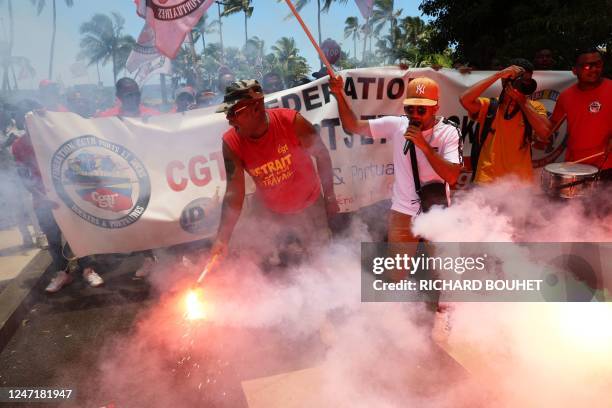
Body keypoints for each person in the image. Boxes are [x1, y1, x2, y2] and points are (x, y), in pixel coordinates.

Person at [209, 79, 339, 264]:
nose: (229, 119)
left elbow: (322, 155)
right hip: (269, 212)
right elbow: (234, 192)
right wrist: (222, 238)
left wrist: (330, 197)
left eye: (233, 112)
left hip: (310, 205)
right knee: (269, 264)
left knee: (322, 257)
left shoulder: (292, 122)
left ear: (256, 107)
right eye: (227, 113)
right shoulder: (231, 143)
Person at [329, 75, 462, 243]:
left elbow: (451, 176)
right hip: (402, 213)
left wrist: (424, 146)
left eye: (421, 110)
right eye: (410, 109)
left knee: (439, 267)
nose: (415, 115)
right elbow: (353, 126)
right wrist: (339, 94)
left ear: (436, 108)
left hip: (436, 212)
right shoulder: (397, 125)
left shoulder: (449, 132)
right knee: (397, 268)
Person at [11, 100, 103, 292]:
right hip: (42, 200)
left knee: (77, 234)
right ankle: (62, 273)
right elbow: (23, 176)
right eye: (27, 120)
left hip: (67, 197)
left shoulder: (53, 138)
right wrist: (40, 195)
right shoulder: (19, 145)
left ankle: (88, 269)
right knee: (53, 240)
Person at [96, 78, 160, 277]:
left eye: (136, 94)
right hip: (128, 179)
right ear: (119, 97)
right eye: (128, 95)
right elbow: (79, 128)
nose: (133, 98)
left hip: (156, 174)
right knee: (138, 220)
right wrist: (44, 119)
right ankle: (148, 258)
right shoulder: (106, 118)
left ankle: (175, 258)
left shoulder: (153, 115)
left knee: (164, 216)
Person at [460, 58, 550, 183]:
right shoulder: (490, 106)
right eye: (521, 81)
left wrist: (522, 102)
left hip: (520, 184)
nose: (524, 85)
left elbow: (545, 132)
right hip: (487, 181)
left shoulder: (534, 107)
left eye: (527, 81)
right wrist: (499, 75)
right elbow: (465, 100)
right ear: (506, 82)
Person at [548, 48, 611, 181]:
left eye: (598, 64)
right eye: (588, 66)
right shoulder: (565, 96)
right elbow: (551, 126)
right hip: (575, 166)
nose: (594, 69)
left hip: (608, 166)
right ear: (574, 70)